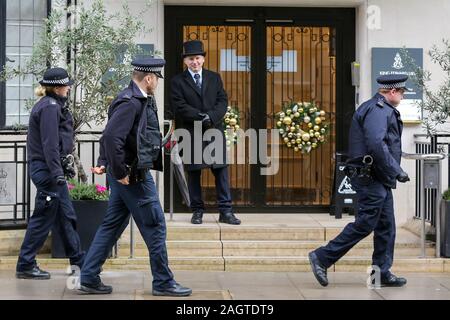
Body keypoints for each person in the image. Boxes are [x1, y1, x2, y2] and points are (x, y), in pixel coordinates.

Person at [79, 57, 192, 297]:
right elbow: (111, 137)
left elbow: (112, 134)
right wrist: (119, 172)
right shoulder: (132, 102)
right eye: (157, 80)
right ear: (149, 78)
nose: (157, 84)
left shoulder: (132, 98)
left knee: (111, 226)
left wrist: (104, 163)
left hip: (126, 175)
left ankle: (88, 277)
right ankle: (163, 282)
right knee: (155, 225)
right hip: (132, 177)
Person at [308, 74, 411, 287]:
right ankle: (323, 256)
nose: (402, 96)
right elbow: (375, 143)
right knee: (365, 223)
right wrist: (396, 169)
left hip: (377, 177)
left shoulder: (375, 108)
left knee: (386, 226)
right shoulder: (377, 110)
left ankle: (380, 274)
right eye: (401, 92)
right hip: (370, 176)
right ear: (392, 92)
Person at [16, 67, 84, 280]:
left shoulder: (51, 105)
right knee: (43, 218)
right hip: (47, 171)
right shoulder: (49, 107)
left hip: (49, 170)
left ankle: (79, 263)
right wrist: (57, 173)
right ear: (57, 87)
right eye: (67, 86)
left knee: (66, 216)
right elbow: (49, 145)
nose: (68, 89)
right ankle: (26, 264)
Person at [170, 40, 241, 225]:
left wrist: (211, 117)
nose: (195, 62)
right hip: (190, 132)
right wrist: (200, 116)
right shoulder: (177, 81)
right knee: (194, 173)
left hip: (213, 129)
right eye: (191, 59)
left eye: (198, 58)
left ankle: (226, 211)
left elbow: (222, 101)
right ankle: (197, 211)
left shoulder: (214, 77)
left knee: (221, 171)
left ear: (203, 59)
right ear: (185, 61)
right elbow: (179, 106)